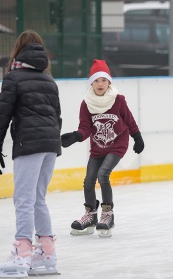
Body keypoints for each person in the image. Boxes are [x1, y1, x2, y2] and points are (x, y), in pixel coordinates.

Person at [0, 30, 62, 279]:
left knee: (24, 199)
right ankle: (47, 251)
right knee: (38, 198)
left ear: (18, 51)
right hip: (50, 144)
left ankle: (23, 251)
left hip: (29, 144)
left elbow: (3, 116)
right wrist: (52, 143)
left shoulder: (13, 78)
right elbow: (57, 117)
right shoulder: (49, 80)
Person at [61, 59, 144, 238]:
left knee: (103, 174)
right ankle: (90, 215)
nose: (100, 84)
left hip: (117, 144)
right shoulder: (86, 103)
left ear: (109, 82)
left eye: (103, 80)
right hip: (98, 147)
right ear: (91, 83)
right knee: (88, 180)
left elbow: (129, 120)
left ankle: (107, 213)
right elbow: (86, 128)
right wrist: (76, 136)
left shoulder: (118, 100)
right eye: (96, 80)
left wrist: (137, 137)